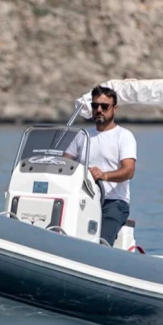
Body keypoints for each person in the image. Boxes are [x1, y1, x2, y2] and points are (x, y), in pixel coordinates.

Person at [67, 85, 137, 246]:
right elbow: (65, 164)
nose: (99, 110)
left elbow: (129, 171)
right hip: (82, 198)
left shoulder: (124, 136)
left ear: (115, 108)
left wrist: (104, 175)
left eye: (104, 106)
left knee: (101, 241)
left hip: (113, 202)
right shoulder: (82, 135)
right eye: (95, 105)